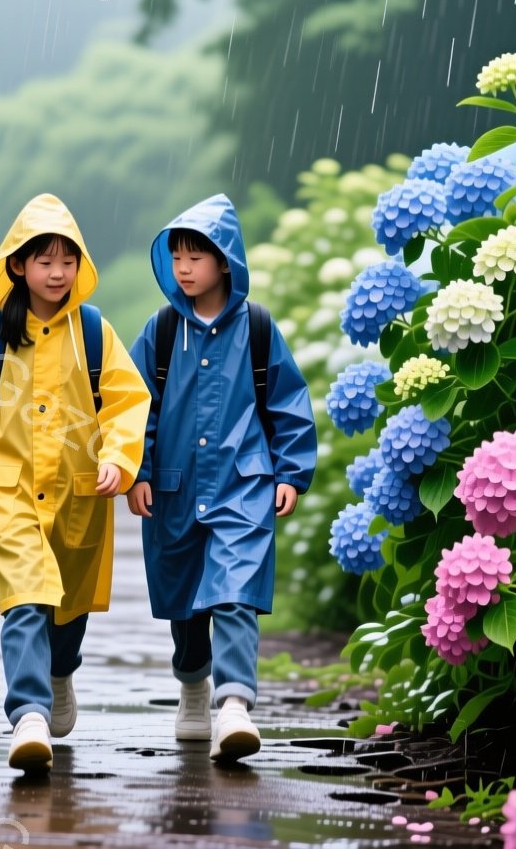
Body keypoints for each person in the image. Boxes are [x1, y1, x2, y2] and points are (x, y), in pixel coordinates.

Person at [0, 193, 151, 773]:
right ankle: (28, 714)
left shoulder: (93, 332)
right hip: (8, 489)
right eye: (45, 261)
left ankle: (60, 672)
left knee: (68, 606)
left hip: (80, 491)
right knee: (25, 598)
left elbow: (127, 401)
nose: (57, 273)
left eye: (68, 261)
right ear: (18, 265)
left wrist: (119, 459)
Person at [127, 193, 318, 762]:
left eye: (196, 257)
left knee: (235, 592)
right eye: (176, 257)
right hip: (175, 488)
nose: (184, 268)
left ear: (224, 262)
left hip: (244, 484)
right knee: (185, 601)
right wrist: (138, 471)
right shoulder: (162, 331)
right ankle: (193, 684)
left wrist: (291, 471)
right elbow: (136, 407)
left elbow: (287, 403)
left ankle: (234, 704)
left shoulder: (256, 328)